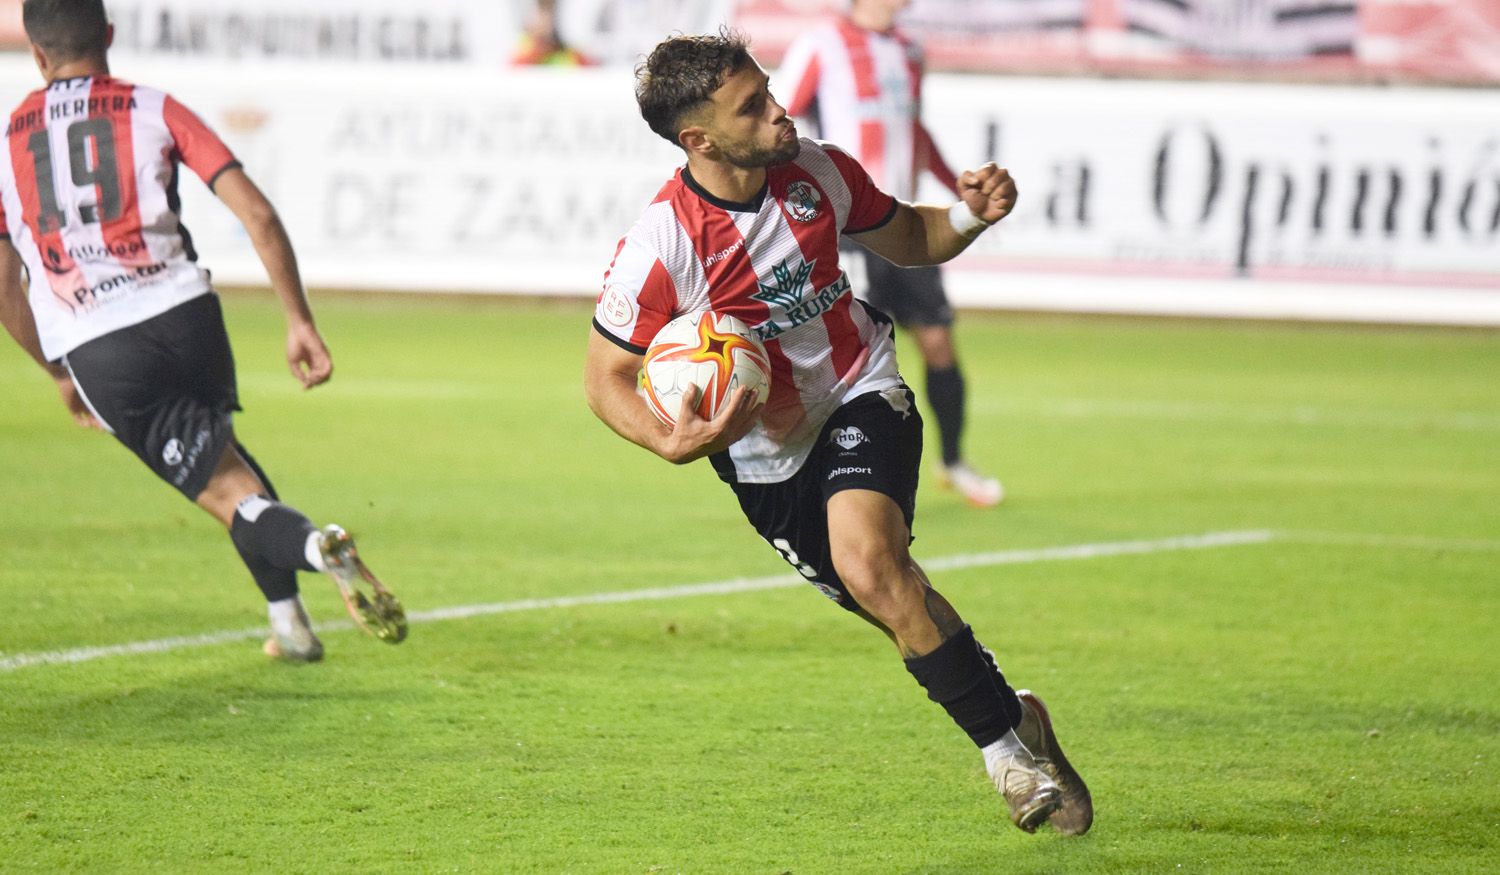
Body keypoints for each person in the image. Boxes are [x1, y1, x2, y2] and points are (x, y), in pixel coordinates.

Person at [583, 30, 1091, 835]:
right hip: (760, 458)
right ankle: (1019, 717)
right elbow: (603, 377)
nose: (780, 110)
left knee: (871, 565)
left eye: (769, 88)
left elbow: (913, 238)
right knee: (894, 600)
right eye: (754, 107)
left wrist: (970, 215)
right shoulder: (663, 245)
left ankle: (1006, 760)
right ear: (700, 140)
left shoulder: (816, 169)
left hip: (859, 390)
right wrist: (667, 439)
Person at [0, 0, 406, 662]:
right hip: (187, 314)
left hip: (101, 342)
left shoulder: (7, 142)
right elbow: (260, 214)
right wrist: (298, 320)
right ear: (107, 35)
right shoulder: (155, 107)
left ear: (37, 55)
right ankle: (291, 624)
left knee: (226, 493)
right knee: (227, 461)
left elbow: (3, 281)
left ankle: (315, 546)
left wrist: (55, 370)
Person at [775, 0, 1004, 507]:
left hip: (904, 220)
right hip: (847, 227)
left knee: (939, 343)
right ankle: (825, 472)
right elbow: (780, 122)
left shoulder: (909, 51)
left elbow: (915, 130)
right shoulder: (822, 43)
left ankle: (954, 461)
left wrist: (957, 193)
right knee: (849, 355)